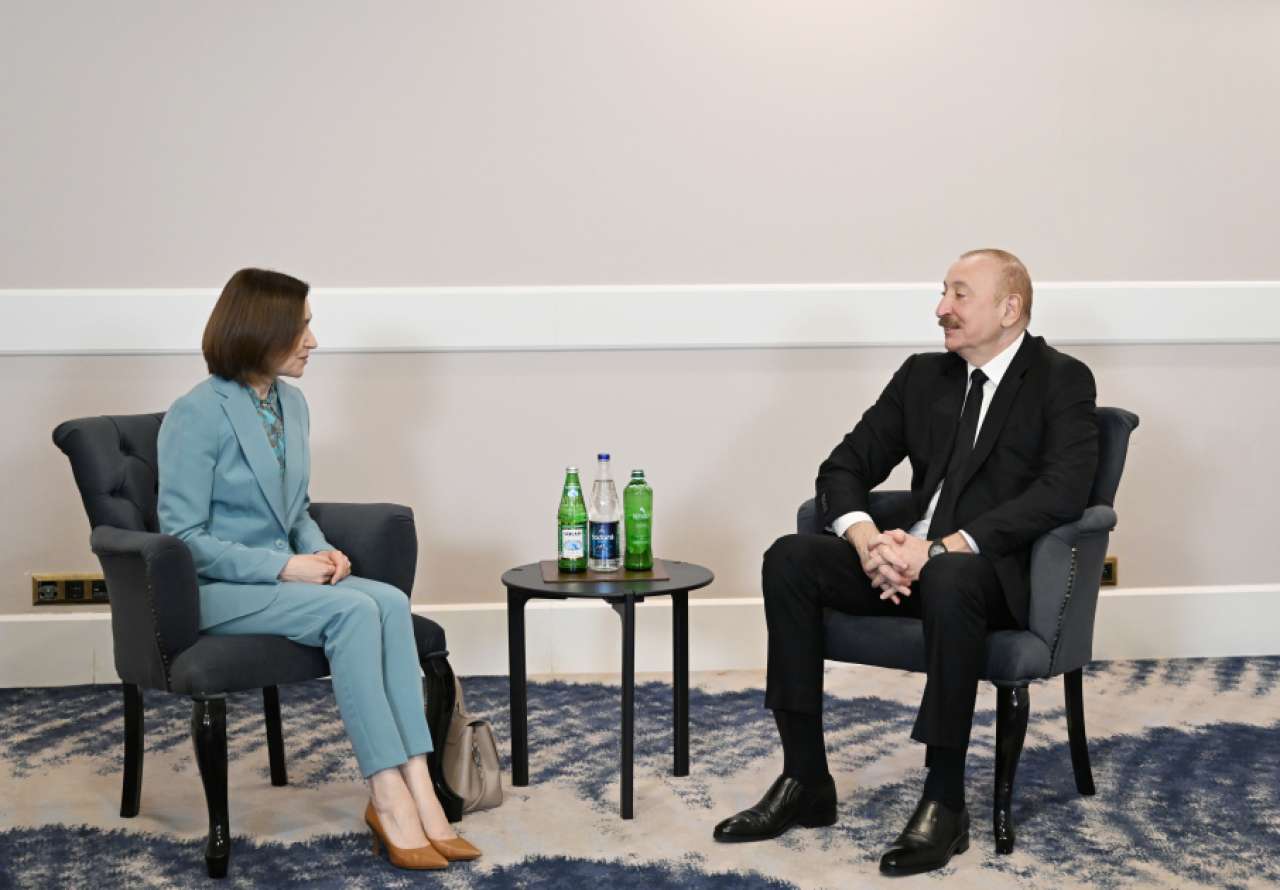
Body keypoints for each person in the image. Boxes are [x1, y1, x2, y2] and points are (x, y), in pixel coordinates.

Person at [712, 249, 1098, 876]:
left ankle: (944, 801)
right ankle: (805, 779)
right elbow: (842, 467)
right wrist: (869, 543)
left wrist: (938, 550)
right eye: (943, 292)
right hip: (901, 563)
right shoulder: (923, 376)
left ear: (1010, 308)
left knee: (948, 574)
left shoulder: (1061, 379)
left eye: (960, 294)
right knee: (789, 557)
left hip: (987, 576)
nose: (941, 308)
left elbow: (1063, 492)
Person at [157, 268, 480, 871]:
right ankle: (386, 794)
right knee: (354, 612)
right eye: (301, 327)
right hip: (220, 590)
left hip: (287, 577)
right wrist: (286, 567)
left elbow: (295, 509)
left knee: (387, 600)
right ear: (261, 330)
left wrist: (322, 550)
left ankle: (420, 780)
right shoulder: (196, 413)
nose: (313, 340)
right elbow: (184, 540)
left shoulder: (292, 403)